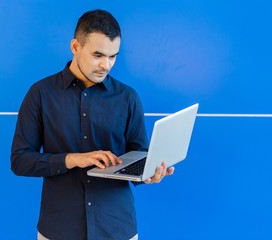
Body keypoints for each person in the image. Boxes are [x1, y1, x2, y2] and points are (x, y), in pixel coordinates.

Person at [11, 9, 174, 240]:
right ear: (75, 47)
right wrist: (74, 158)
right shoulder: (40, 94)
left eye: (113, 56)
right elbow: (19, 161)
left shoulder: (128, 97)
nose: (106, 65)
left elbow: (140, 153)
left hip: (117, 228)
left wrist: (149, 173)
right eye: (98, 55)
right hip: (59, 229)